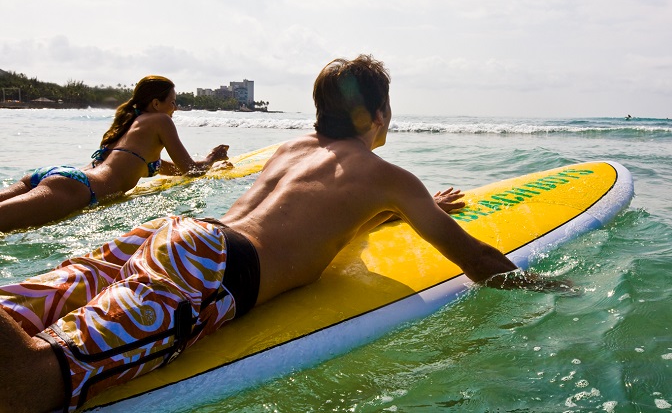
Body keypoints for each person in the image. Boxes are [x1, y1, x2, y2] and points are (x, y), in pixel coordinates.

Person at [0, 55, 563, 413]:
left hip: (175, 235)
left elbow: (312, 214)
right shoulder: (389, 177)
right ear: (374, 116)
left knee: (18, 310)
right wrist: (552, 287)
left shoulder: (294, 149)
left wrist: (405, 209)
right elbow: (477, 260)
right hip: (210, 268)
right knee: (31, 379)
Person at [0, 76, 230, 233]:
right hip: (79, 189)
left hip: (60, 177)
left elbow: (172, 169)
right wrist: (211, 159)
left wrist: (206, 161)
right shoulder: (161, 120)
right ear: (156, 103)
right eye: (173, 102)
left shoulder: (128, 128)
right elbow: (189, 170)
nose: (175, 108)